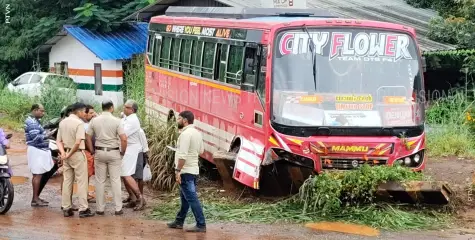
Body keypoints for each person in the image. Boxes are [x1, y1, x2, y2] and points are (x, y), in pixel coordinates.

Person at [167, 110, 206, 232]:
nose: (177, 121)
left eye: (178, 119)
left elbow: (183, 156)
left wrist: (178, 170)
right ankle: (179, 221)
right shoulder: (197, 133)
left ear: (185, 120)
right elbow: (201, 151)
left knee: (191, 198)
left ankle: (201, 224)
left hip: (186, 171)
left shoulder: (185, 135)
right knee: (185, 198)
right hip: (194, 170)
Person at [86, 100, 127, 215]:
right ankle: (118, 208)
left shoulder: (94, 121)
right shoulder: (117, 121)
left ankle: (100, 208)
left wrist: (92, 150)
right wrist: (122, 151)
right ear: (112, 108)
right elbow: (123, 138)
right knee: (115, 180)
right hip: (114, 152)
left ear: (102, 107)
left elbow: (87, 136)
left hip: (99, 152)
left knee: (100, 181)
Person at [56, 102, 94, 218]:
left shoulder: (63, 122)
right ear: (78, 111)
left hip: (66, 152)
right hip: (77, 154)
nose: (84, 114)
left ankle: (66, 207)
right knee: (82, 182)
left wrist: (64, 154)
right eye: (83, 111)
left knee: (67, 181)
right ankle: (83, 208)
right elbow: (78, 142)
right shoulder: (79, 123)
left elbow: (58, 141)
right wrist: (69, 154)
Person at [24, 104, 55, 207]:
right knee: (37, 175)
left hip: (37, 150)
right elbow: (36, 138)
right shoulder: (32, 123)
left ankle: (36, 197)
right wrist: (48, 134)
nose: (43, 113)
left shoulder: (35, 121)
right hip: (36, 150)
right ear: (35, 110)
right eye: (41, 111)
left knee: (38, 174)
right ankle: (35, 199)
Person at [120, 100, 146, 211]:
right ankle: (133, 198)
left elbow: (122, 134)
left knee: (127, 174)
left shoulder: (133, 121)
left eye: (126, 107)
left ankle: (140, 198)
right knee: (124, 174)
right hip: (128, 149)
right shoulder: (126, 118)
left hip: (132, 150)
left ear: (132, 110)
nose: (124, 108)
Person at [84, 104, 97, 203]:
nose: (93, 115)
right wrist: (92, 151)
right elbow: (87, 139)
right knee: (86, 175)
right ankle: (84, 196)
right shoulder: (84, 125)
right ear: (85, 114)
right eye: (91, 113)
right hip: (87, 152)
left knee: (88, 175)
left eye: (94, 112)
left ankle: (86, 194)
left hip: (90, 152)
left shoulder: (91, 123)